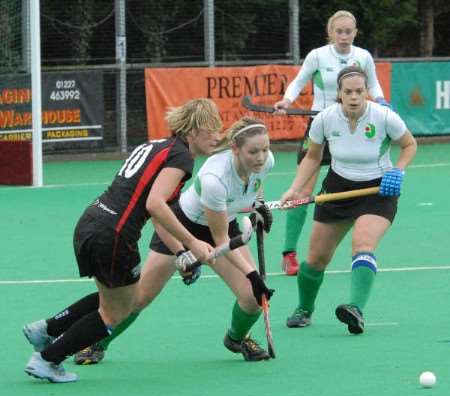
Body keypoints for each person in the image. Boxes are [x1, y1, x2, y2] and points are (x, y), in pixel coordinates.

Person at [22, 98, 224, 383]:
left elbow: (158, 214)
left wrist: (180, 252)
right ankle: (47, 359)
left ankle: (45, 329)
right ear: (192, 131)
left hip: (91, 222)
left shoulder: (157, 146)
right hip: (114, 236)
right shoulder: (182, 157)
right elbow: (156, 205)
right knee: (118, 311)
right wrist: (193, 243)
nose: (218, 136)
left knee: (115, 296)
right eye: (212, 130)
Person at [72, 116, 276, 365]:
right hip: (182, 225)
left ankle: (237, 338)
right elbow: (220, 239)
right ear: (235, 149)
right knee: (139, 298)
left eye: (265, 150)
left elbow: (255, 185)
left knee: (252, 299)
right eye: (253, 151)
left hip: (224, 222)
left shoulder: (266, 162)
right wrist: (253, 275)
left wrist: (258, 205)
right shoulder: (215, 178)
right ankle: (98, 342)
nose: (261, 157)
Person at [281, 65, 416, 334]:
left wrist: (398, 171)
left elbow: (410, 145)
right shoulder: (324, 119)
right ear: (339, 94)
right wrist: (295, 189)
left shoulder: (384, 116)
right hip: (338, 189)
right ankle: (304, 309)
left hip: (378, 191)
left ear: (367, 91)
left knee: (362, 245)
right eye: (348, 92)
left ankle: (355, 309)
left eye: (359, 91)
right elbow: (312, 157)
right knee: (316, 260)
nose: (354, 96)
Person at [274, 10, 391, 276]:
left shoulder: (363, 57)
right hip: (320, 126)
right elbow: (298, 81)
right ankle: (289, 253)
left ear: (355, 32)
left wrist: (382, 102)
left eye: (349, 32)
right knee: (303, 192)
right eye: (339, 31)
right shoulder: (317, 55)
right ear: (330, 33)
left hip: (351, 129)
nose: (344, 37)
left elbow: (373, 85)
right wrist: (286, 101)